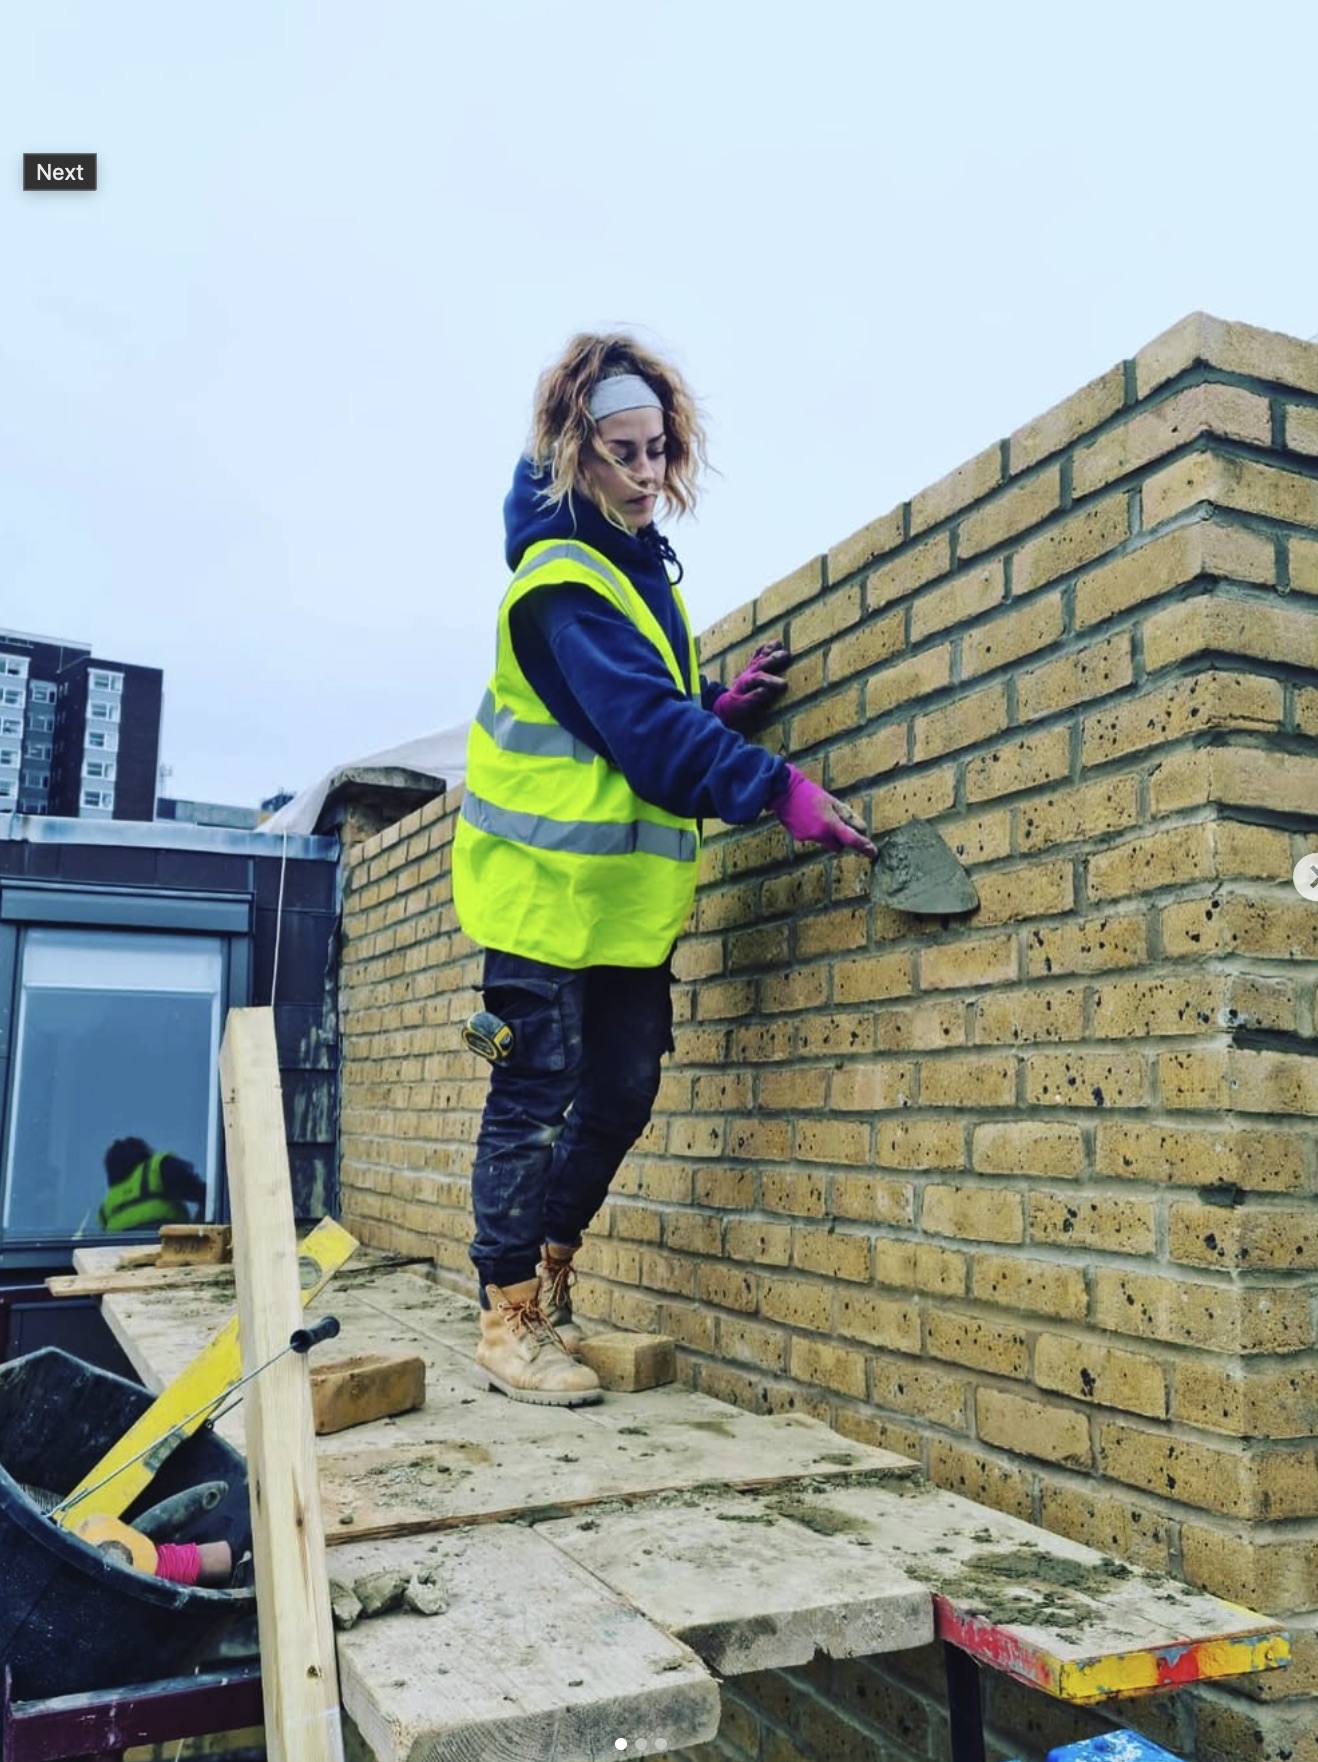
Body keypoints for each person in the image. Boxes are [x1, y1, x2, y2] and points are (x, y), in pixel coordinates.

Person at [451, 332, 875, 1405]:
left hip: (623, 908)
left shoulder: (633, 572)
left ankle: (550, 1284)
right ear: (571, 455)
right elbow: (638, 731)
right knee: (536, 1095)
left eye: (659, 452)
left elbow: (635, 717)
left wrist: (717, 709)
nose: (649, 476)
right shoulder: (562, 580)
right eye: (625, 453)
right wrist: (776, 789)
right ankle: (505, 1320)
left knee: (624, 1090)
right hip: (544, 894)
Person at [97, 1137, 207, 1232]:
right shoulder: (155, 1169)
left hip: (121, 1255)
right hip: (167, 1251)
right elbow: (205, 1195)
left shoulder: (106, 1206)